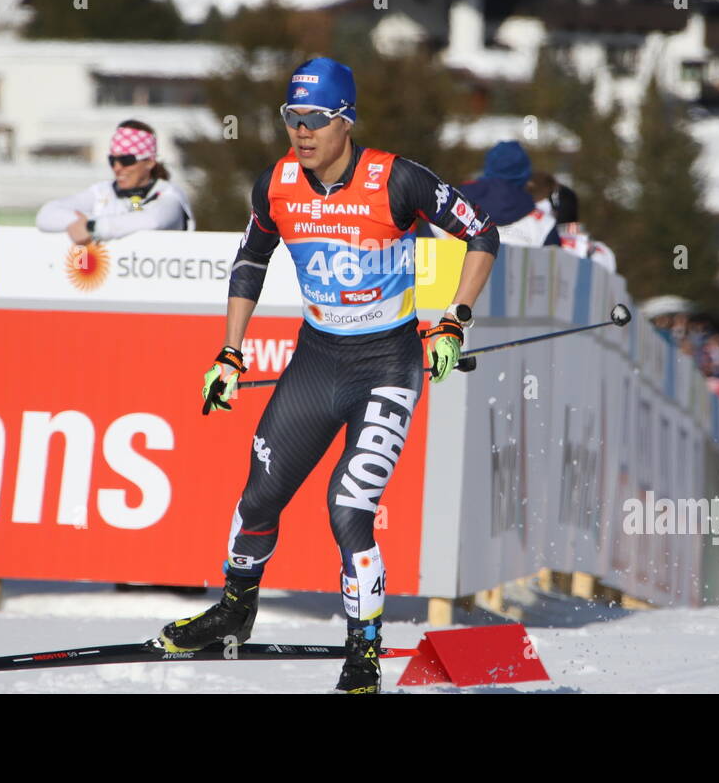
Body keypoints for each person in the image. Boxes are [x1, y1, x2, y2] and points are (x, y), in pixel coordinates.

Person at [153, 57, 499, 693]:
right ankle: (236, 611)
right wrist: (230, 352)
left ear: (346, 121)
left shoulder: (397, 179)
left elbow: (482, 234)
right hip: (315, 359)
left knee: (348, 508)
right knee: (259, 495)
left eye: (314, 119)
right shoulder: (277, 184)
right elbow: (250, 260)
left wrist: (454, 320)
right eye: (291, 118)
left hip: (386, 365)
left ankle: (363, 652)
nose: (301, 132)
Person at [36, 119, 194, 242]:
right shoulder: (102, 192)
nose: (117, 168)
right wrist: (86, 224)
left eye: (126, 160)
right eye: (113, 160)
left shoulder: (169, 194)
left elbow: (153, 220)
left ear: (149, 162)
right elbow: (46, 215)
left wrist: (92, 227)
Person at [458, 140, 559, 247]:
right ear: (525, 173)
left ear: (489, 164)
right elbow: (554, 260)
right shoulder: (544, 224)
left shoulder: (455, 204)